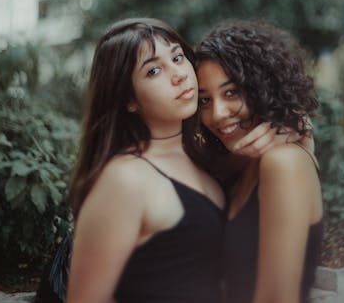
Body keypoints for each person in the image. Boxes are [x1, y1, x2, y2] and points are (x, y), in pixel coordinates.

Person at [64, 18, 296, 303]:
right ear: (129, 100)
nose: (178, 74)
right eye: (153, 70)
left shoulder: (204, 155)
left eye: (177, 57)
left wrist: (295, 134)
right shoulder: (125, 179)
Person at [195, 20, 324, 303]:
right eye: (205, 100)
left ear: (262, 87)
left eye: (231, 92)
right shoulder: (239, 164)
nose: (217, 114)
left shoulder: (283, 163)